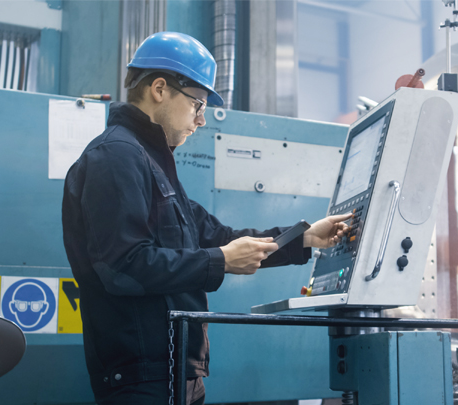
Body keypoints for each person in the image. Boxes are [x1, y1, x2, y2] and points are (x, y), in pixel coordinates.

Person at [62, 32, 351, 405]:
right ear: (160, 89)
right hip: (143, 379)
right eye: (197, 104)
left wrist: (306, 237)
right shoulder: (116, 157)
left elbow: (218, 236)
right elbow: (124, 265)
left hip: (175, 371)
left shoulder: (154, 165)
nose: (200, 120)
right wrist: (221, 261)